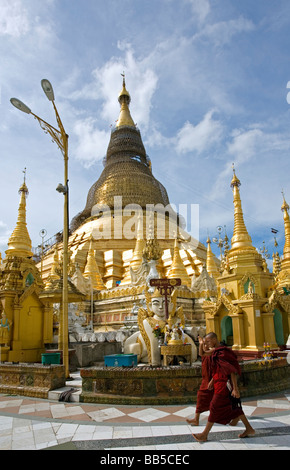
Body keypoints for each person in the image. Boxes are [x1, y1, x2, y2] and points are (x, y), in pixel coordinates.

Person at [192, 332, 255, 442]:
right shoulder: (215, 351)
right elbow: (203, 354)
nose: (207, 343)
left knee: (214, 406)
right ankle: (249, 428)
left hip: (225, 384)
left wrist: (235, 388)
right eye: (205, 342)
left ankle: (204, 434)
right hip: (218, 382)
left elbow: (231, 371)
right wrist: (212, 380)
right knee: (234, 407)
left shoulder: (223, 352)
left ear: (215, 340)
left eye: (208, 341)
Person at [186, 336, 214, 426]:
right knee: (201, 398)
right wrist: (201, 344)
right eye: (204, 344)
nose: (205, 346)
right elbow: (201, 354)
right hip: (206, 381)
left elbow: (218, 369)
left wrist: (212, 381)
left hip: (213, 381)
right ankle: (196, 419)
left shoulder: (213, 353)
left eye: (206, 344)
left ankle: (234, 416)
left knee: (222, 401)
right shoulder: (206, 355)